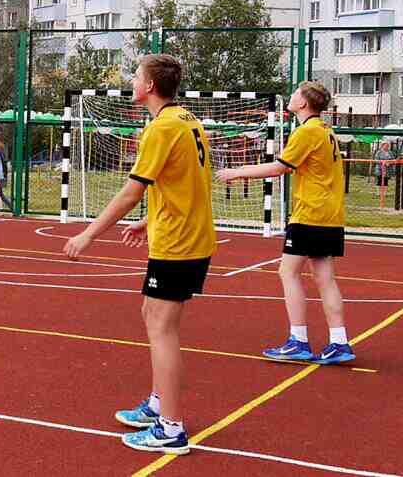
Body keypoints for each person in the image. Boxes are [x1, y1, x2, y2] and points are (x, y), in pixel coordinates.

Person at [64, 54, 214, 456]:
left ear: (149, 86)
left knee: (162, 328)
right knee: (153, 315)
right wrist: (152, 222)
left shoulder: (162, 128)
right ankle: (159, 404)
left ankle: (171, 427)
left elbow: (132, 191)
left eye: (136, 76)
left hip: (181, 243)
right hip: (184, 235)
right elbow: (188, 182)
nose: (132, 81)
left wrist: (88, 235)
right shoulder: (187, 120)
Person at [215, 80, 354, 365]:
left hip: (310, 214)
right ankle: (339, 341)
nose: (290, 97)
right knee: (325, 278)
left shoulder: (307, 132)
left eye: (295, 94)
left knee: (287, 271)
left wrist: (238, 172)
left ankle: (298, 340)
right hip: (329, 214)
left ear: (303, 102)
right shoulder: (326, 131)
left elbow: (280, 168)